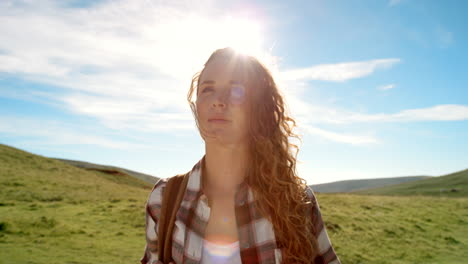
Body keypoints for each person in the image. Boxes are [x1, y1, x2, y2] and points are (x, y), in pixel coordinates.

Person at [141, 47, 341, 264]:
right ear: (196, 104)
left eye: (236, 90)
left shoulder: (298, 202)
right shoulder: (164, 199)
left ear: (259, 107)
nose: (218, 100)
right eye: (207, 89)